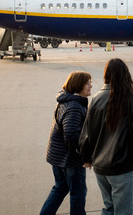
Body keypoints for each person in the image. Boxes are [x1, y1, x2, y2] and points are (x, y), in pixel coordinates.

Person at [79, 58, 133, 215]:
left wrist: (86, 157)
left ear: (106, 75)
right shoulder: (131, 99)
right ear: (126, 75)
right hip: (122, 167)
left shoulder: (95, 99)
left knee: (109, 208)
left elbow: (86, 134)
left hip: (100, 166)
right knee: (123, 211)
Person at [41, 72, 93, 215]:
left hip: (57, 156)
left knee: (60, 188)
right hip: (70, 160)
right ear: (78, 85)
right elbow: (71, 136)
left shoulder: (66, 100)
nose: (91, 86)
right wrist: (84, 157)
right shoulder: (74, 106)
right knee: (78, 194)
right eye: (87, 83)